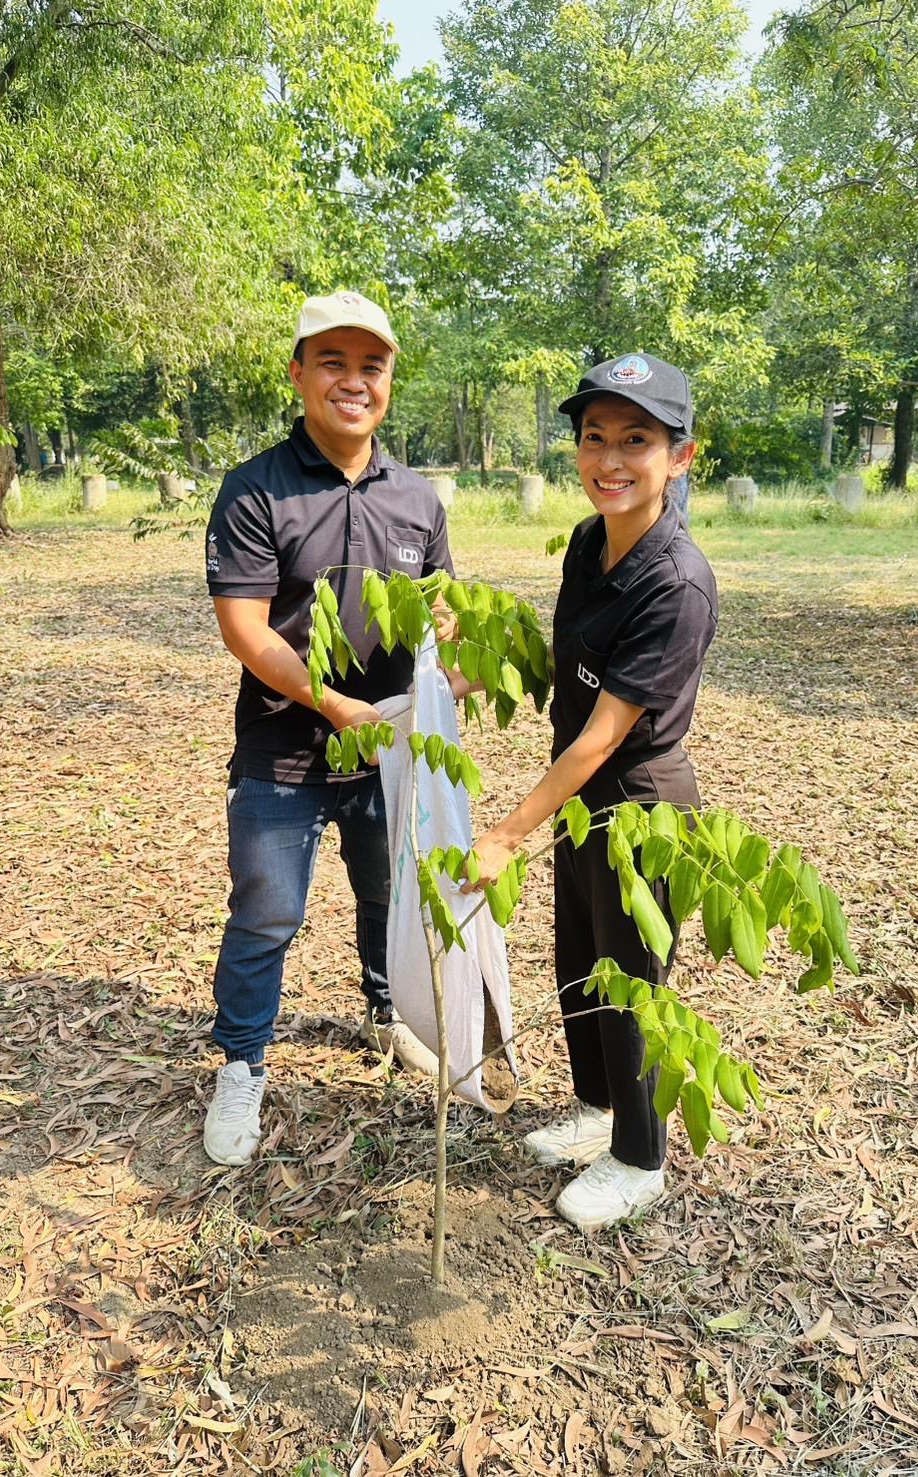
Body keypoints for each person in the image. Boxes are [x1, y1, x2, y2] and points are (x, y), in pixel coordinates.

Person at [203, 290, 454, 1166]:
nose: (354, 381)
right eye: (334, 362)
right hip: (283, 750)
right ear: (298, 372)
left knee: (388, 899)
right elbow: (246, 628)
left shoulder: (418, 499)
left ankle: (387, 1015)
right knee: (267, 914)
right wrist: (333, 704)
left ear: (389, 381)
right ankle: (240, 1063)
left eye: (372, 366)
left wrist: (453, 664)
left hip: (387, 754)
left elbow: (437, 616)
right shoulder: (256, 489)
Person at [467, 352, 718, 1231]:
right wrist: (488, 669)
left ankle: (642, 1157)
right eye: (594, 437)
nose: (610, 459)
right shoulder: (588, 541)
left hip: (638, 806)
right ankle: (597, 1110)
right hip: (581, 802)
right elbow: (572, 665)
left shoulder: (676, 583)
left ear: (681, 456)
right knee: (579, 964)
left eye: (637, 440)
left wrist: (505, 834)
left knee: (632, 978)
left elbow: (604, 733)